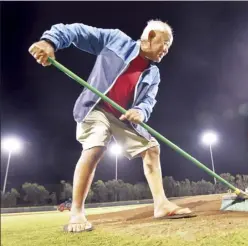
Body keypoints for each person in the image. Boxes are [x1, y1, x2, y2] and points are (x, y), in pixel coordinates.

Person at [28, 20, 193, 233]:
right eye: (165, 43)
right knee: (96, 146)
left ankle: (161, 204)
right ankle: (76, 212)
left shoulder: (154, 74)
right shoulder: (116, 40)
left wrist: (141, 111)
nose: (166, 50)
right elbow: (76, 31)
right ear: (151, 36)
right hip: (95, 107)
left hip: (122, 116)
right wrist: (50, 42)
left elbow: (148, 101)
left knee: (151, 148)